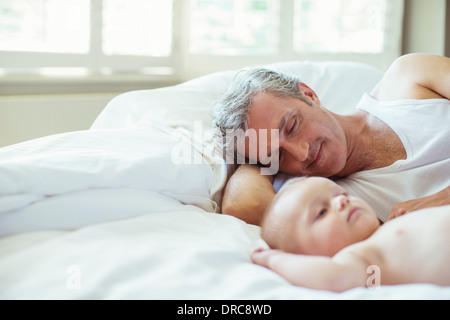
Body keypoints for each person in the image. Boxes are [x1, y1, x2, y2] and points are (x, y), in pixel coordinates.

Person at [212, 53, 450, 225]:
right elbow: (243, 208)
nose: (301, 153)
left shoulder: (409, 77)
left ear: (309, 95)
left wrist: (441, 200)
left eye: (292, 126)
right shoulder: (333, 203)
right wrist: (252, 160)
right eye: (277, 156)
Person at [251, 176, 450, 292]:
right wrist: (273, 260)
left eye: (341, 194)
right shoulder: (359, 257)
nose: (341, 201)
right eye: (322, 212)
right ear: (306, 257)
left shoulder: (383, 232)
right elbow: (333, 278)